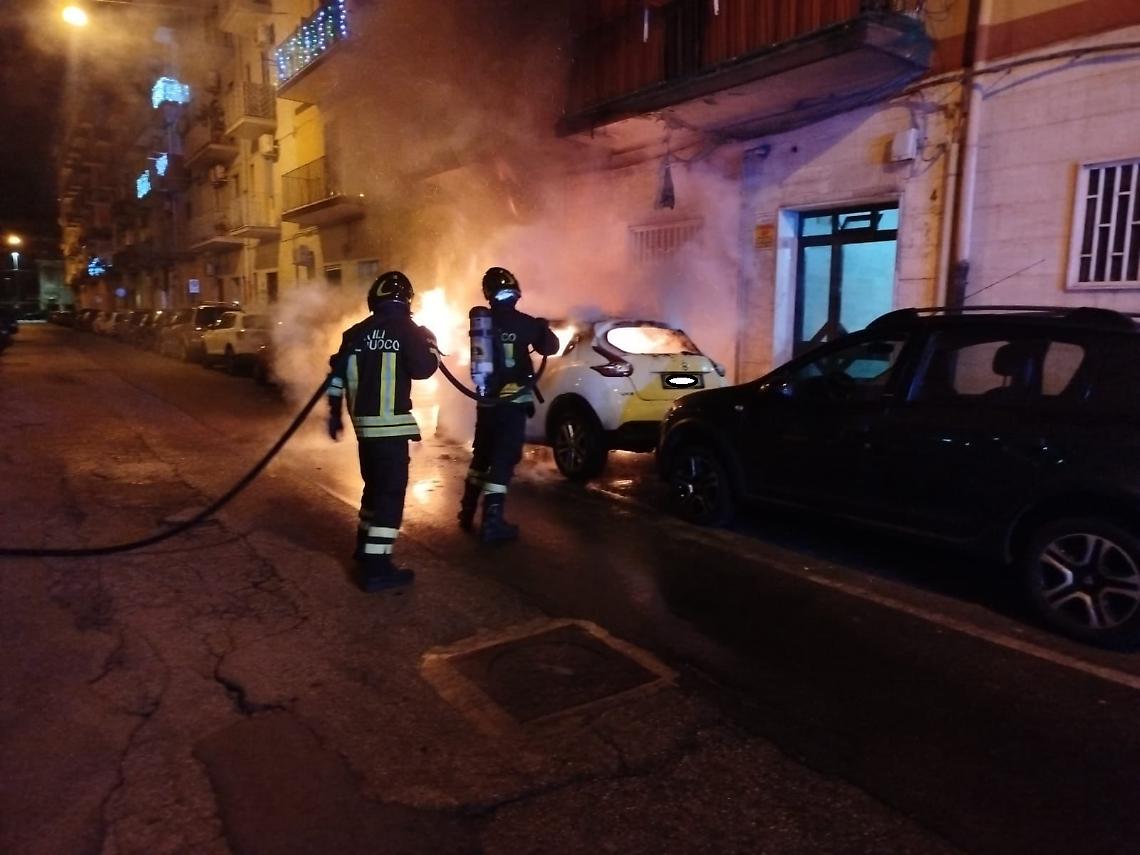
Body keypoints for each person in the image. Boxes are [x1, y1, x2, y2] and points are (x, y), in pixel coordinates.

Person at [327, 271, 439, 591]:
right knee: (389, 498)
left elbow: (335, 378)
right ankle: (377, 567)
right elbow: (424, 369)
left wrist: (334, 415)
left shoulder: (354, 334)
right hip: (390, 432)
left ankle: (364, 550)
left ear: (374, 299)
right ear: (406, 300)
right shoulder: (408, 330)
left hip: (365, 432)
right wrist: (430, 341)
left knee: (373, 491)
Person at [459, 267, 559, 542]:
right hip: (512, 403)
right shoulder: (524, 323)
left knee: (482, 457)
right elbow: (550, 347)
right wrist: (542, 328)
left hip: (487, 402)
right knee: (504, 459)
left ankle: (466, 511)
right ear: (514, 291)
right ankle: (492, 521)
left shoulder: (483, 323)